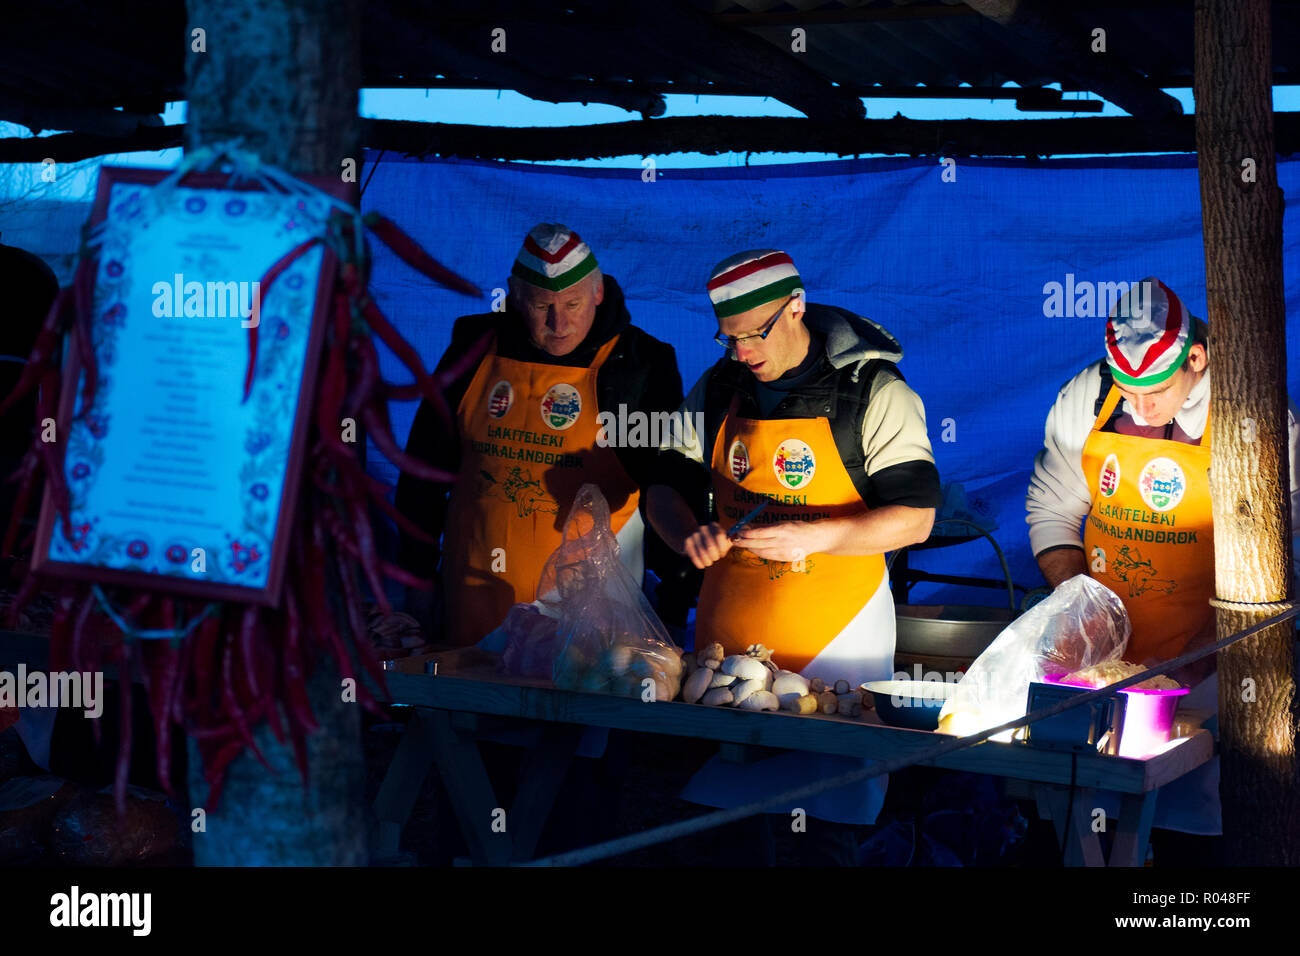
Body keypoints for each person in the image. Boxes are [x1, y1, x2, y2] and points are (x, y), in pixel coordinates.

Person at [647, 249, 941, 853]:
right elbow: (661, 488)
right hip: (726, 646)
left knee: (822, 824)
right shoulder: (720, 387)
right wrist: (685, 533)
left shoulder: (874, 391)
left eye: (753, 335)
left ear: (797, 307)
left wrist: (818, 536)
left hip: (840, 643)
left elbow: (916, 519)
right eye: (728, 339)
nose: (741, 352)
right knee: (721, 828)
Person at [1025, 276, 1300, 842]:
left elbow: (1287, 549)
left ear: (1195, 358)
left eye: (1155, 391)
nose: (1141, 408)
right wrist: (1081, 607)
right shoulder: (1089, 396)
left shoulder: (1252, 414)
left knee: (1191, 819)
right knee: (1084, 813)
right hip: (1100, 663)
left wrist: (1210, 652)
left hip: (1215, 662)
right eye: (1128, 392)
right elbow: (1051, 510)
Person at [395, 223, 688, 647]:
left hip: (591, 619)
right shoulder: (473, 347)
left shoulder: (640, 365)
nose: (559, 323)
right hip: (472, 604)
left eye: (572, 303)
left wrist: (674, 605)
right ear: (514, 296)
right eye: (540, 306)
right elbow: (423, 469)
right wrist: (416, 575)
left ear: (598, 293)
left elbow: (667, 486)